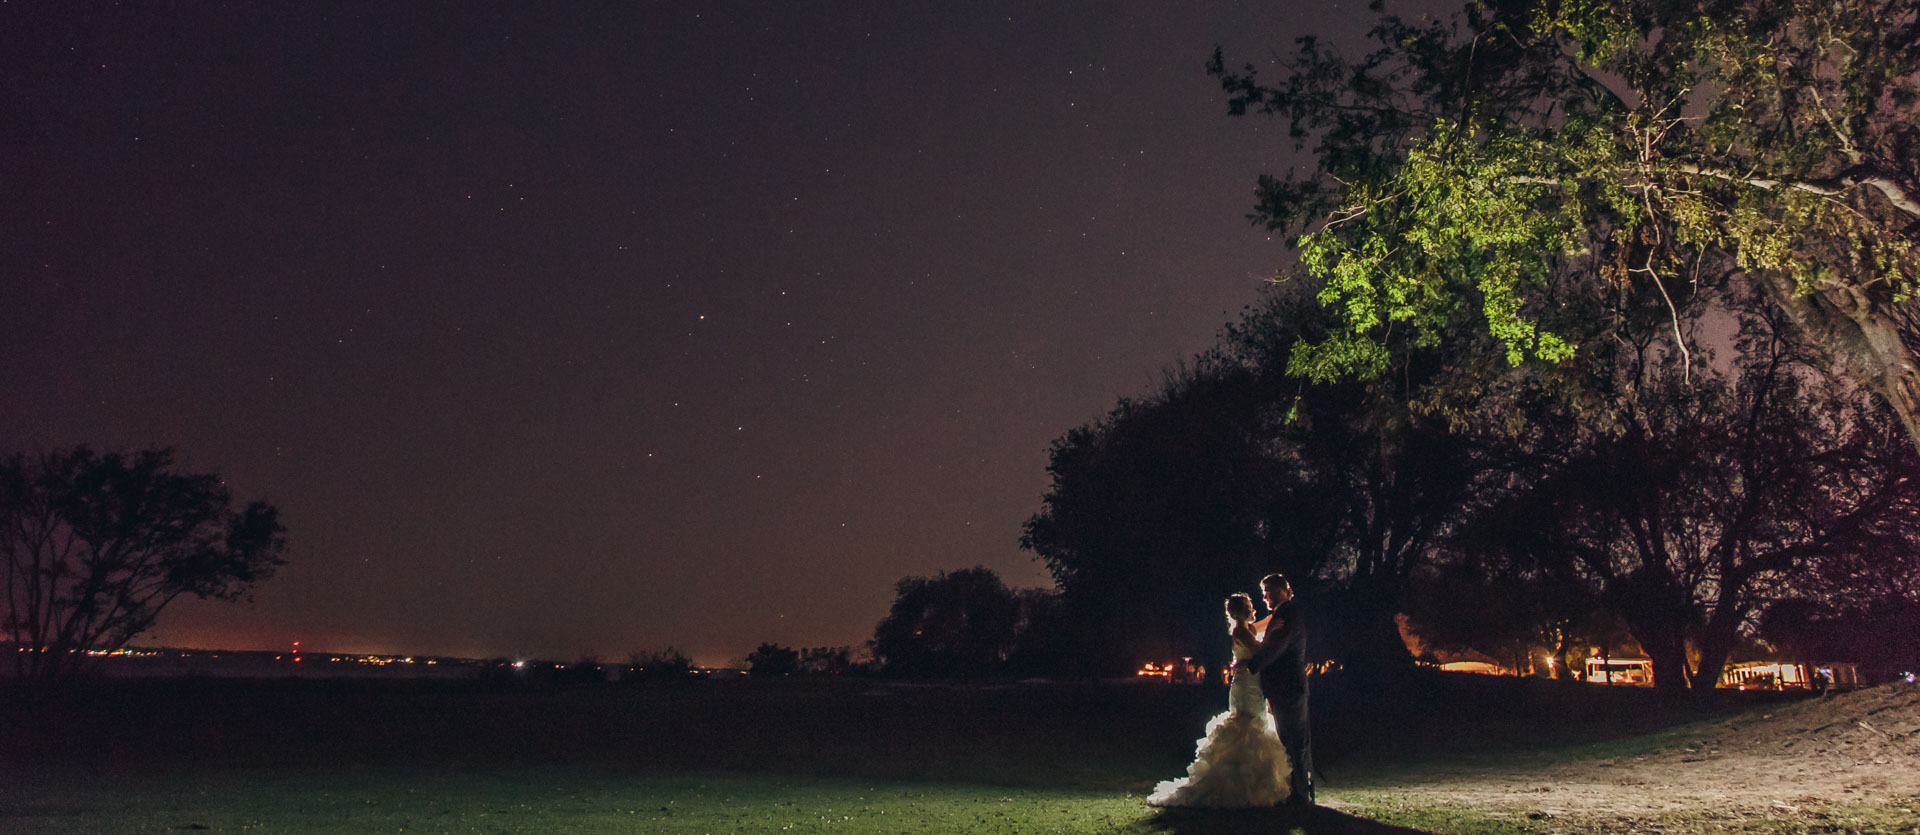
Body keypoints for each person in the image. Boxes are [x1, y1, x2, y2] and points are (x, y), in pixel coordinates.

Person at [1146, 594, 1292, 809]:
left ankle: (1255, 780)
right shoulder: (1240, 630)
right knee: (1247, 725)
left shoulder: (1248, 628)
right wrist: (1277, 634)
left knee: (1255, 723)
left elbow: (1266, 623)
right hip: (1246, 685)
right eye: (1251, 607)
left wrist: (1279, 613)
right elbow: (1261, 651)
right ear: (1243, 611)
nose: (1254, 610)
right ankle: (1242, 784)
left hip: (1253, 682)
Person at [1245, 572, 1313, 809]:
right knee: (1290, 740)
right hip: (1283, 688)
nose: (1265, 597)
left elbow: (1276, 647)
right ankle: (1299, 791)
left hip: (1289, 688)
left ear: (1283, 590)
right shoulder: (1279, 615)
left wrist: (1249, 666)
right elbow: (1257, 634)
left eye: (1269, 592)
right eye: (1264, 593)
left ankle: (1299, 794)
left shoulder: (1288, 614)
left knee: (1293, 740)